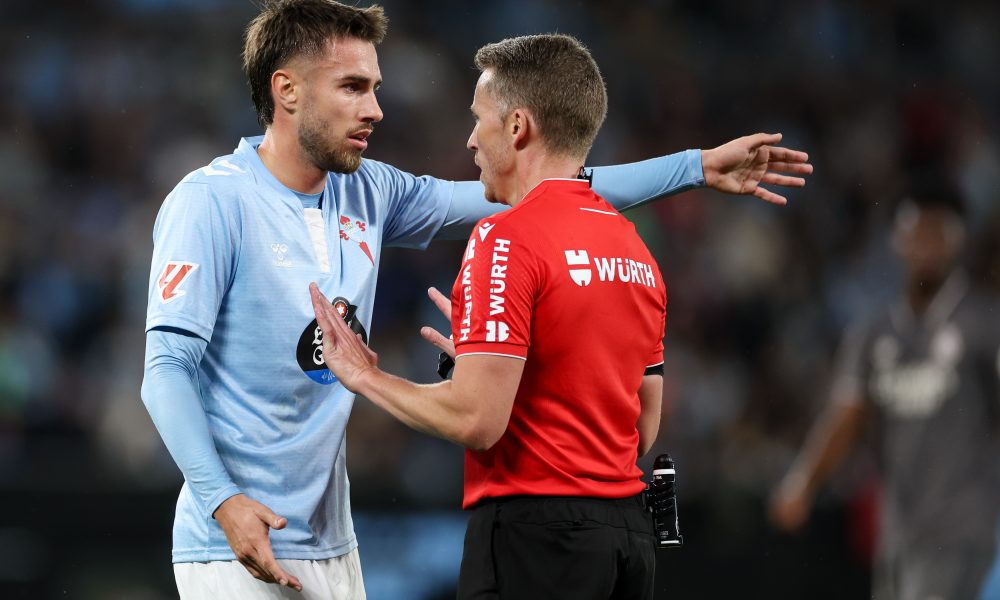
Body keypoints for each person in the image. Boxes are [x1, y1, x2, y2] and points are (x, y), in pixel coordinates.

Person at [140, 0, 812, 597]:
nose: (375, 108)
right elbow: (164, 373)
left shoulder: (369, 191)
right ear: (285, 90)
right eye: (352, 88)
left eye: (374, 88)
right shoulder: (211, 201)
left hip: (330, 540)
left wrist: (693, 168)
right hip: (233, 535)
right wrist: (223, 501)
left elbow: (547, 191)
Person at [310, 33, 808, 599]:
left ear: (518, 127)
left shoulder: (502, 237)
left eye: (479, 120)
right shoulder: (635, 250)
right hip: (627, 540)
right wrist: (491, 367)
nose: (471, 140)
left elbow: (476, 420)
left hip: (535, 541)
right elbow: (640, 429)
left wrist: (367, 376)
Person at [769, 181, 1000, 600]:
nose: (925, 242)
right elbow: (847, 415)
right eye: (916, 230)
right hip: (898, 531)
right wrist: (804, 481)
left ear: (959, 240)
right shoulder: (874, 333)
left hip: (964, 527)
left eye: (938, 231)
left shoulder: (985, 321)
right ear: (897, 238)